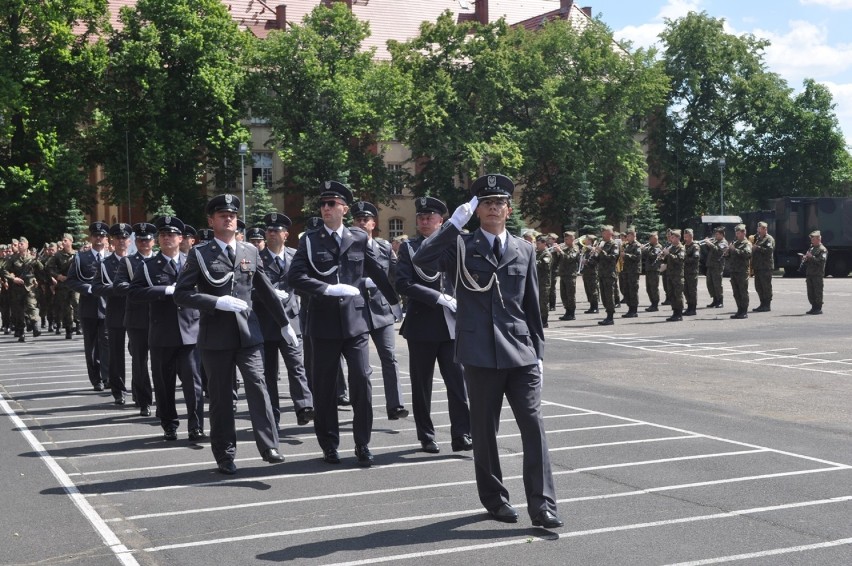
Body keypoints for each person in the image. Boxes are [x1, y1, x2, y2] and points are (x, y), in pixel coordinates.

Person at [413, 173, 562, 530]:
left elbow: (532, 306)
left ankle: (542, 506)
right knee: (484, 430)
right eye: (486, 203)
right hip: (479, 351)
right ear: (476, 210)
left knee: (533, 426)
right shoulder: (460, 245)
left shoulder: (524, 249)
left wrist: (538, 354)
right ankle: (494, 499)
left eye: (499, 203)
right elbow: (423, 261)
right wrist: (452, 224)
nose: (494, 208)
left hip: (520, 350)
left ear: (509, 210)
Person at [174, 194, 297, 474]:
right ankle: (225, 454)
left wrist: (283, 322)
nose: (228, 218)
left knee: (258, 385)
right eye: (221, 215)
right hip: (215, 337)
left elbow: (265, 290)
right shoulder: (200, 253)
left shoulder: (250, 252)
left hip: (248, 334)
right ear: (211, 220)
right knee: (221, 398)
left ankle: (269, 446)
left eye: (231, 215)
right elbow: (181, 295)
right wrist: (215, 302)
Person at [288, 182, 398, 467]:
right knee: (324, 387)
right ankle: (329, 444)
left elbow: (376, 270)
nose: (326, 208)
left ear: (344, 209)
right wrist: (326, 289)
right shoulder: (310, 240)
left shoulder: (358, 238)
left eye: (332, 204)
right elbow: (295, 276)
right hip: (323, 324)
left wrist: (395, 300)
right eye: (323, 204)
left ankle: (363, 442)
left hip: (356, 322)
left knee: (361, 380)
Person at [396, 196, 472, 454]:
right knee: (422, 386)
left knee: (458, 383)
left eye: (430, 217)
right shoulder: (409, 248)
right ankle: (426, 436)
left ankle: (462, 433)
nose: (424, 221)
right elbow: (402, 283)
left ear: (443, 221)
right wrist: (437, 297)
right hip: (422, 324)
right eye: (421, 217)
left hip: (451, 324)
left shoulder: (456, 243)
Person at [129, 216, 204, 441]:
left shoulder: (192, 262)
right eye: (163, 235)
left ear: (181, 238)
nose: (166, 238)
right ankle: (169, 424)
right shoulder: (149, 266)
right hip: (162, 334)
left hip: (190, 332)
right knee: (164, 384)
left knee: (194, 384)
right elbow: (134, 293)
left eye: (171, 234)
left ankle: (196, 425)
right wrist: (163, 291)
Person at [351, 201, 409, 421]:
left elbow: (395, 273)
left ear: (373, 224)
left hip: (382, 310)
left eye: (366, 220)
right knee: (361, 366)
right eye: (358, 220)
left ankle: (396, 405)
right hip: (357, 313)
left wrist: (401, 298)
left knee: (389, 358)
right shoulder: (347, 246)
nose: (362, 223)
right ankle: (363, 409)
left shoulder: (384, 247)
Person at [254, 211, 314, 427]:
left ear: (285, 234)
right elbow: (248, 289)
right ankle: (273, 416)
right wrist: (266, 294)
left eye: (276, 230)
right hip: (266, 323)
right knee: (269, 373)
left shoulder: (294, 255)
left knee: (296, 365)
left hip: (291, 320)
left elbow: (304, 281)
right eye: (268, 230)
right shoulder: (256, 258)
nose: (271, 234)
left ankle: (304, 407)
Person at [112, 222, 157, 416]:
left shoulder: (160, 260)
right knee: (140, 362)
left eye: (147, 240)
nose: (144, 243)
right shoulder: (128, 262)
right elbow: (119, 285)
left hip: (160, 318)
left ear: (153, 241)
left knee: (161, 362)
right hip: (137, 318)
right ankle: (144, 399)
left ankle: (161, 399)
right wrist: (140, 291)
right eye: (140, 240)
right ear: (135, 242)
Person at [65, 222, 110, 391]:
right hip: (89, 307)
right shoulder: (81, 258)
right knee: (91, 346)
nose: (99, 238)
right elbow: (71, 280)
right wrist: (88, 288)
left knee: (107, 344)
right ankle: (96, 379)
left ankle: (107, 377)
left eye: (102, 235)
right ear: (91, 238)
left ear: (106, 238)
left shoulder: (112, 257)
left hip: (108, 308)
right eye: (96, 235)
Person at [92, 223, 132, 404]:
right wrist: (117, 289)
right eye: (118, 238)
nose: (121, 241)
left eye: (124, 238)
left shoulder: (137, 261)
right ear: (112, 241)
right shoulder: (105, 264)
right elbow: (96, 287)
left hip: (136, 312)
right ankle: (119, 390)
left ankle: (140, 390)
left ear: (129, 241)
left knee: (139, 354)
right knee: (116, 354)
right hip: (115, 312)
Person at [2, 237, 44, 342]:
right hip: (17, 288)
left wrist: (37, 262)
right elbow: (4, 270)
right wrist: (13, 278)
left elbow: (41, 270)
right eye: (19, 244)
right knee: (19, 310)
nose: (20, 245)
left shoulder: (32, 258)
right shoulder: (12, 258)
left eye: (22, 243)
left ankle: (35, 327)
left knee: (31, 305)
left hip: (30, 286)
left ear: (27, 245)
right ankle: (21, 331)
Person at [595, 225, 619, 326]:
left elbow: (612, 258)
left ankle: (610, 317)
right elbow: (598, 260)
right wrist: (595, 254)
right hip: (602, 274)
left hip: (609, 274)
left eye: (604, 233)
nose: (602, 235)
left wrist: (602, 252)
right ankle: (607, 315)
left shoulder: (614, 245)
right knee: (604, 296)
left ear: (609, 234)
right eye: (602, 233)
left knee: (609, 296)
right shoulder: (603, 244)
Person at [726, 224, 752, 319]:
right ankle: (739, 310)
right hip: (734, 271)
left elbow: (747, 254)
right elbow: (731, 257)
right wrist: (727, 253)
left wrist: (734, 250)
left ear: (744, 233)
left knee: (742, 291)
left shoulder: (747, 243)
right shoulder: (735, 243)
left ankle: (744, 311)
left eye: (739, 233)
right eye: (736, 233)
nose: (737, 235)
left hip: (742, 271)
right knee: (736, 292)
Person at [553, 231, 579, 321]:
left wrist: (560, 251)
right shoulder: (565, 249)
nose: (565, 240)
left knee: (570, 295)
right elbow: (556, 261)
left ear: (572, 239)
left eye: (567, 239)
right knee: (564, 295)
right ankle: (567, 312)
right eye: (565, 239)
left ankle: (572, 313)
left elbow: (569, 259)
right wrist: (556, 252)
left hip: (570, 275)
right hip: (563, 275)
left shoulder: (575, 249)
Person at [661, 229, 685, 321]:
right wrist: (663, 256)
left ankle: (679, 314)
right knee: (671, 294)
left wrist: (669, 254)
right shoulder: (671, 247)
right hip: (670, 275)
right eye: (671, 237)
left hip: (677, 275)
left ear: (678, 238)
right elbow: (666, 261)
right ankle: (674, 312)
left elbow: (679, 260)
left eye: (673, 237)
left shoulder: (681, 248)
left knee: (678, 295)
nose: (671, 239)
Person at [751, 221, 775, 312]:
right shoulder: (758, 239)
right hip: (758, 267)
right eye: (758, 228)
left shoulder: (769, 239)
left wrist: (758, 248)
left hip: (766, 267)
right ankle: (762, 303)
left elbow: (769, 250)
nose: (758, 230)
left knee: (766, 286)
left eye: (760, 229)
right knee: (758, 286)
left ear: (765, 229)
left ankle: (767, 304)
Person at [802, 230, 827, 314]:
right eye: (811, 239)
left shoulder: (822, 250)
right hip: (810, 274)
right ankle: (813, 307)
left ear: (818, 239)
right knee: (810, 292)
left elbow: (821, 262)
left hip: (817, 274)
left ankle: (818, 308)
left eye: (813, 238)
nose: (811, 240)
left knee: (817, 291)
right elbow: (810, 260)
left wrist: (811, 257)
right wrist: (805, 259)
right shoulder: (812, 248)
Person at [619, 227, 642, 318]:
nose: (627, 237)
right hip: (627, 271)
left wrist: (626, 255)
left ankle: (634, 310)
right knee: (627, 290)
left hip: (633, 271)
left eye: (628, 235)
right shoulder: (627, 245)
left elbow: (637, 257)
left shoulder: (637, 245)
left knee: (633, 290)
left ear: (633, 236)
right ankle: (630, 309)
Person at [705, 227, 727, 308]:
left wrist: (710, 243)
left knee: (717, 284)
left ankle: (720, 301)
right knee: (710, 284)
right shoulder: (716, 241)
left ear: (721, 234)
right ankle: (714, 300)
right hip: (710, 265)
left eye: (717, 234)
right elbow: (710, 249)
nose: (715, 236)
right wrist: (708, 244)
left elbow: (718, 250)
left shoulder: (723, 242)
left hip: (717, 266)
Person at [534, 234, 552, 328]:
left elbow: (545, 265)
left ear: (544, 244)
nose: (537, 245)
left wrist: (534, 261)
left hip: (544, 282)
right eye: (536, 243)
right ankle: (538, 319)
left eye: (538, 243)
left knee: (543, 302)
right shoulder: (537, 253)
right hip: (537, 281)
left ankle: (544, 321)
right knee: (537, 302)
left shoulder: (546, 254)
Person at [682, 228, 701, 316]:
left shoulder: (695, 246)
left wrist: (684, 258)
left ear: (691, 236)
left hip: (692, 272)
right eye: (684, 236)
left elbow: (695, 258)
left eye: (686, 237)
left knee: (692, 291)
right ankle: (689, 307)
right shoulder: (684, 246)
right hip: (684, 272)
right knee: (686, 290)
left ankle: (693, 309)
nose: (685, 238)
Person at [642, 232, 662, 312]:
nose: (655, 240)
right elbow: (644, 256)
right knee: (649, 288)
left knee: (654, 288)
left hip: (654, 270)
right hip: (649, 269)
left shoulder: (658, 247)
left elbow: (653, 256)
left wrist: (645, 250)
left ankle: (655, 304)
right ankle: (652, 303)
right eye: (653, 239)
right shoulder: (650, 246)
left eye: (655, 239)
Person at [580, 234, 599, 314]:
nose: (585, 241)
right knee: (588, 290)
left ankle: (595, 307)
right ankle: (591, 306)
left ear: (591, 241)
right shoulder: (586, 250)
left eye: (587, 239)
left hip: (592, 273)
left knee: (593, 290)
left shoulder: (594, 250)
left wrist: (587, 262)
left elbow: (595, 261)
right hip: (586, 272)